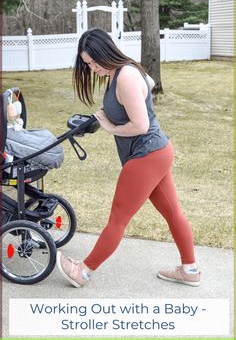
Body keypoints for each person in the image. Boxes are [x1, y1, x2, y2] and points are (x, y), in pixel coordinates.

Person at [57, 28, 200, 288]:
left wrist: (110, 126)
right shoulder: (123, 71)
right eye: (88, 64)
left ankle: (83, 272)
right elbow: (150, 84)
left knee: (118, 218)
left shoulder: (125, 76)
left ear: (106, 51)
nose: (93, 68)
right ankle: (190, 270)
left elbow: (141, 125)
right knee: (173, 212)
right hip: (157, 152)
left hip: (146, 155)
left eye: (94, 61)